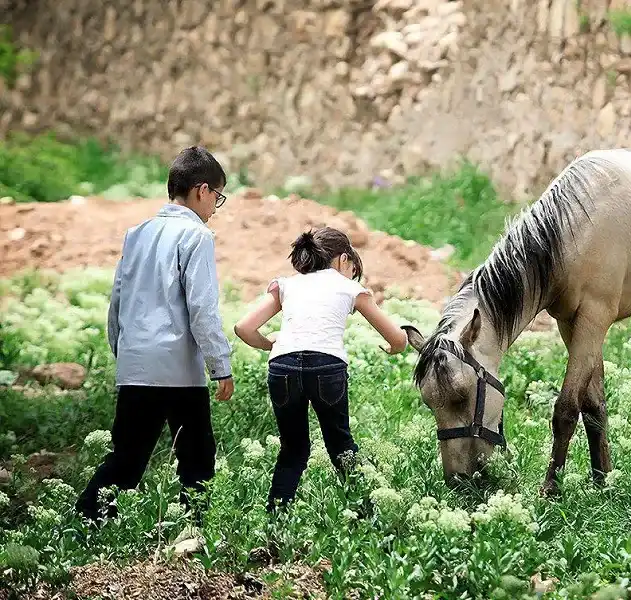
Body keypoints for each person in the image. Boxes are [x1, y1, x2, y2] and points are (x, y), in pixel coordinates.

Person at [75, 146, 234, 553]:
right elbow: (201, 307)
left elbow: (118, 300)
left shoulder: (137, 233)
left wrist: (124, 353)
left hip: (136, 364)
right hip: (178, 369)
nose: (217, 205)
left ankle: (84, 526)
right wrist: (221, 364)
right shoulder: (196, 235)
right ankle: (192, 538)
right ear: (201, 190)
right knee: (197, 460)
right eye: (218, 195)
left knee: (127, 458)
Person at [234, 227, 408, 512]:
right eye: (353, 268)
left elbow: (243, 327)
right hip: (326, 366)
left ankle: (276, 522)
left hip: (283, 366)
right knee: (340, 445)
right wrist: (395, 348)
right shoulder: (350, 287)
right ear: (343, 260)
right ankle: (368, 516)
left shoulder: (288, 285)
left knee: (293, 449)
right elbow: (398, 338)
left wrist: (269, 344)